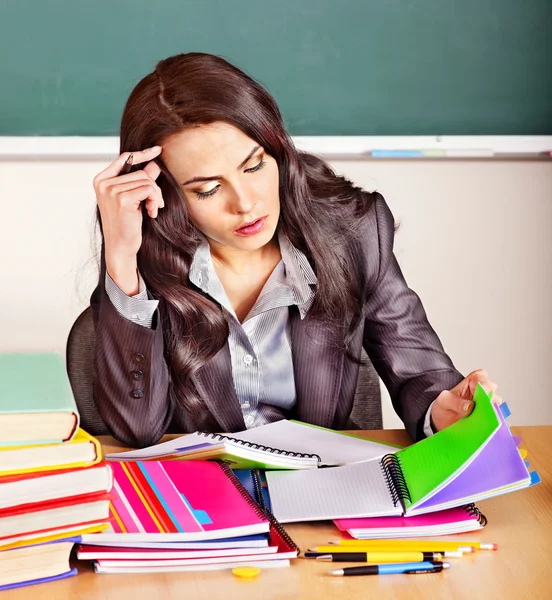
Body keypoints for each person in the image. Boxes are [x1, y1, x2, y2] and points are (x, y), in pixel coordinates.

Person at [90, 52, 499, 448]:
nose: (246, 203)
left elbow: (419, 370)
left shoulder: (353, 231)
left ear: (278, 151)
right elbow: (137, 430)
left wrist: (442, 407)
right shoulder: (145, 252)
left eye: (254, 166)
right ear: (166, 195)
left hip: (320, 489)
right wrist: (122, 260)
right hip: (205, 499)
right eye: (208, 189)